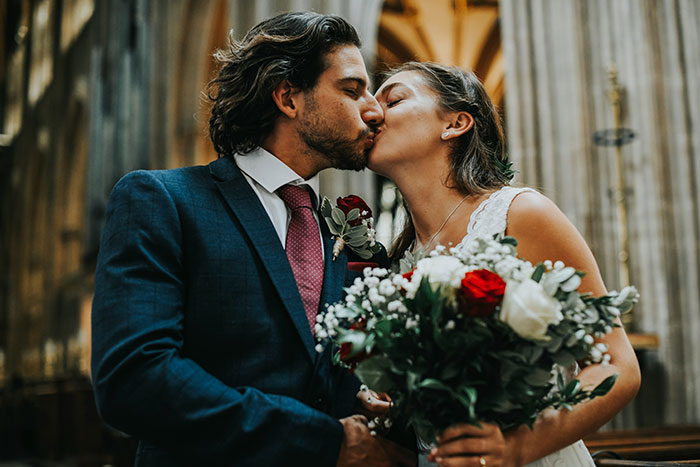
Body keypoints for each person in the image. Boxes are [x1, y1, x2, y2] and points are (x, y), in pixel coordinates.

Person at [91, 12, 415, 467]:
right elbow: (134, 379)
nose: (374, 109)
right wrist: (324, 442)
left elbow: (332, 377)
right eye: (351, 89)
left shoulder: (349, 235)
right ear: (288, 97)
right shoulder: (163, 201)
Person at [366, 62, 641, 467]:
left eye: (393, 99)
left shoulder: (521, 214)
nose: (371, 113)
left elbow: (618, 367)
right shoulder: (397, 257)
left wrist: (518, 447)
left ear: (456, 123)